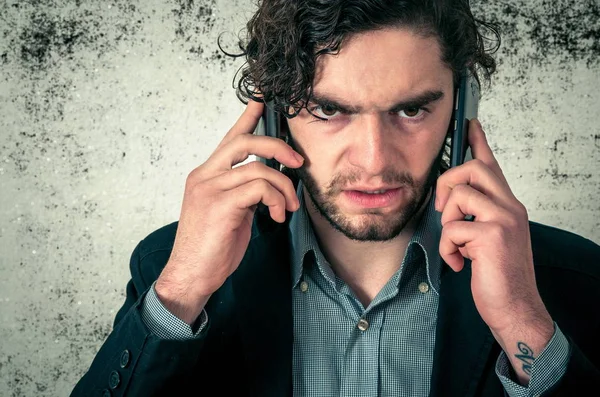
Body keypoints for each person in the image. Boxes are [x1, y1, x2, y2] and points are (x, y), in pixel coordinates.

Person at [71, 0, 600, 396]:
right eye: (328, 111)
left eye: (411, 111)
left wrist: (524, 324)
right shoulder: (171, 266)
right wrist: (181, 293)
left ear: (461, 111)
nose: (373, 161)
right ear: (275, 114)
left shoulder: (572, 277)